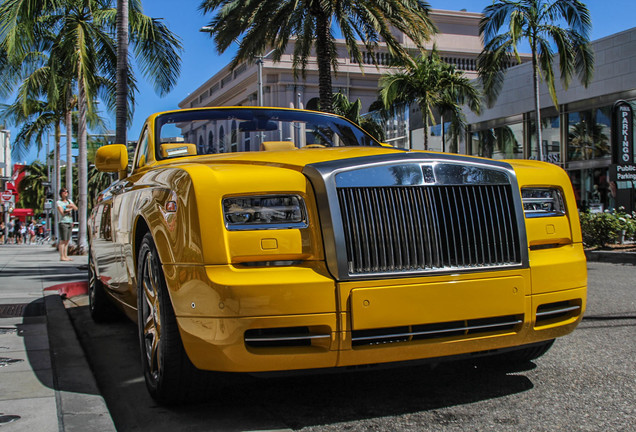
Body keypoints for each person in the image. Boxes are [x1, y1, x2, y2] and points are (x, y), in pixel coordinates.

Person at [57, 188, 77, 261]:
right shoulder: (59, 202)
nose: (66, 193)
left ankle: (66, 255)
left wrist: (71, 205)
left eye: (67, 192)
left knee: (67, 240)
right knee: (63, 240)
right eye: (64, 192)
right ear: (61, 193)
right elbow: (62, 212)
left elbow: (76, 208)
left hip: (70, 221)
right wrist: (67, 208)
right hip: (63, 222)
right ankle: (62, 256)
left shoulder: (69, 201)